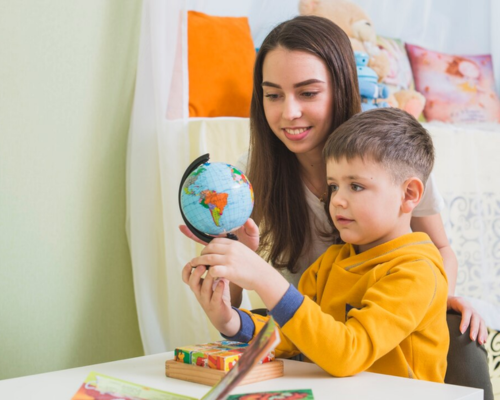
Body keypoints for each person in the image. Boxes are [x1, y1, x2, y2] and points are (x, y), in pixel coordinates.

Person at [180, 15, 492, 395]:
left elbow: (433, 255)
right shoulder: (255, 186)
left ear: (340, 88)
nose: (289, 112)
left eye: (308, 93)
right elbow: (295, 332)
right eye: (273, 95)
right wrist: (230, 313)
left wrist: (433, 298)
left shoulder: (391, 158)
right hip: (317, 350)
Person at [183, 107, 449, 381]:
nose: (337, 200)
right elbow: (294, 334)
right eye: (333, 186)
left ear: (409, 194)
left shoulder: (417, 272)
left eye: (356, 186)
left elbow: (348, 353)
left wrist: (265, 278)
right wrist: (231, 321)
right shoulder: (331, 261)